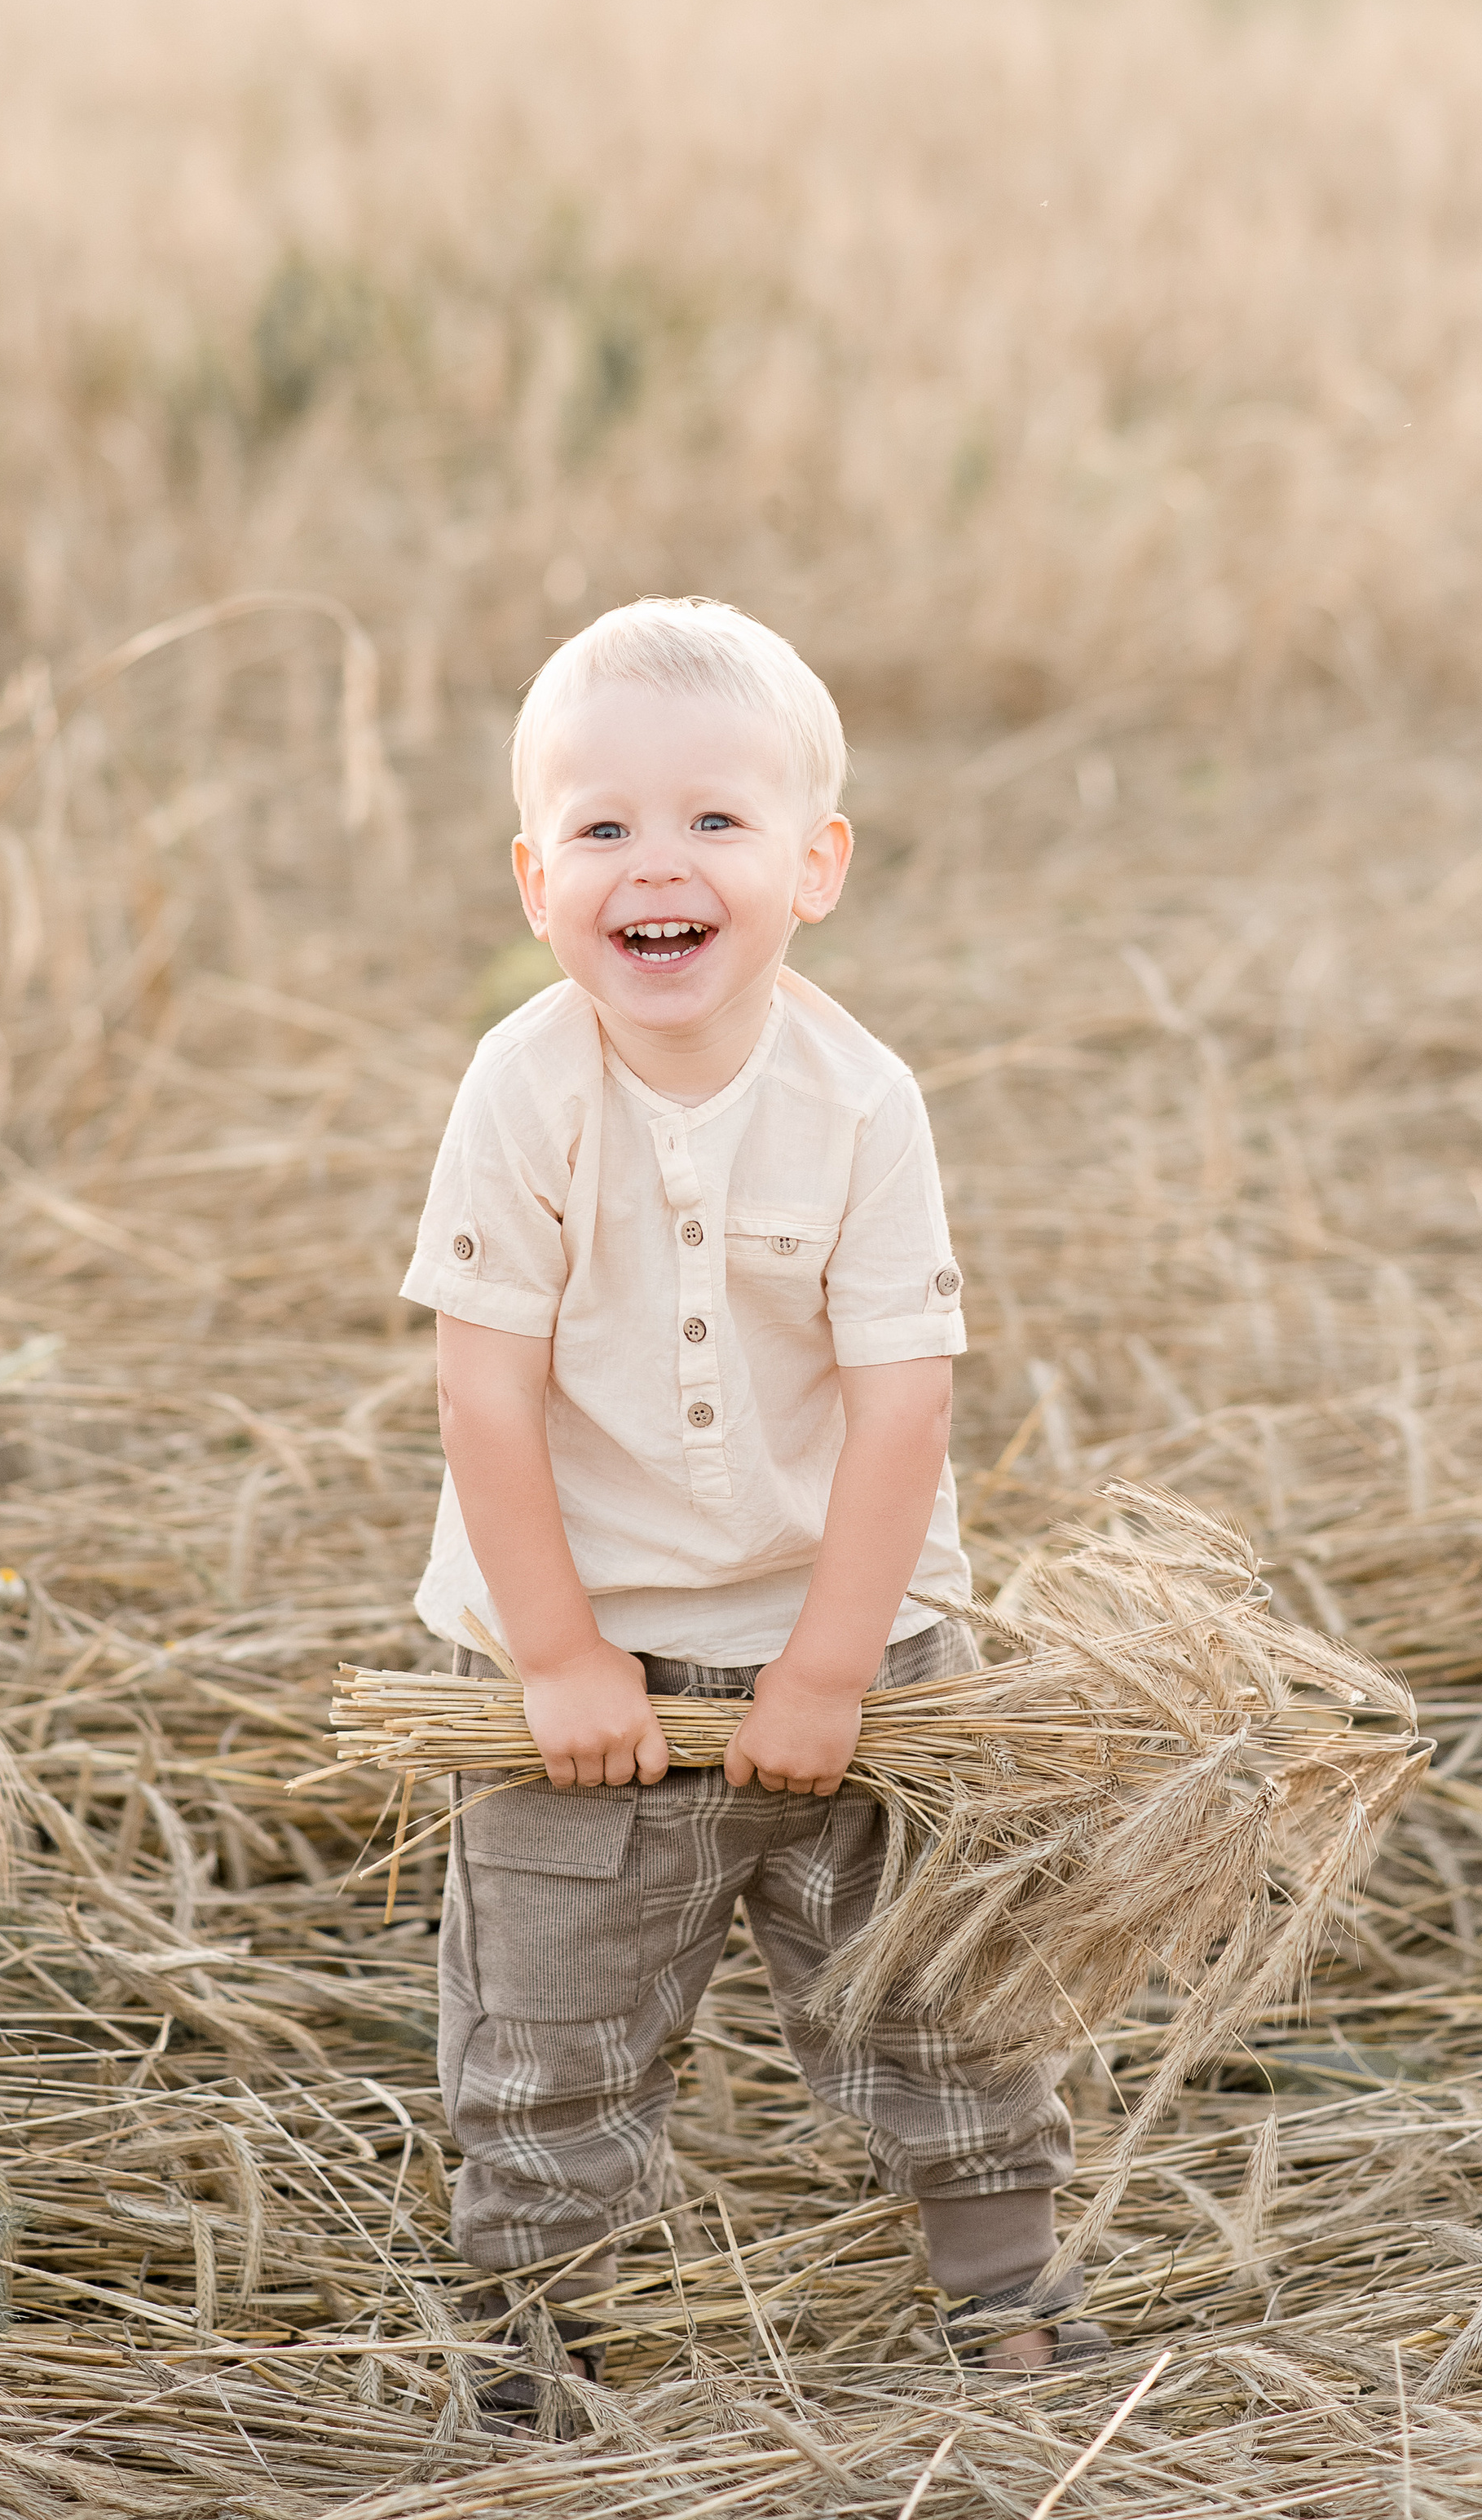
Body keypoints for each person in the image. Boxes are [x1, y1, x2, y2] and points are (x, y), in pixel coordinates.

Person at [399, 598, 1107, 2428]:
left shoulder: (861, 1102)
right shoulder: (520, 1090)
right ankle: (532, 2327)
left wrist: (831, 1669)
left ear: (816, 866)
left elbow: (902, 1401)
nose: (658, 866)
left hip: (844, 1634)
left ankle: (1005, 2293)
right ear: (533, 875)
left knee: (933, 1990)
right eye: (603, 826)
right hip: (586, 1668)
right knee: (546, 2030)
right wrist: (555, 1654)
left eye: (714, 821)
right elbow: (483, 1391)